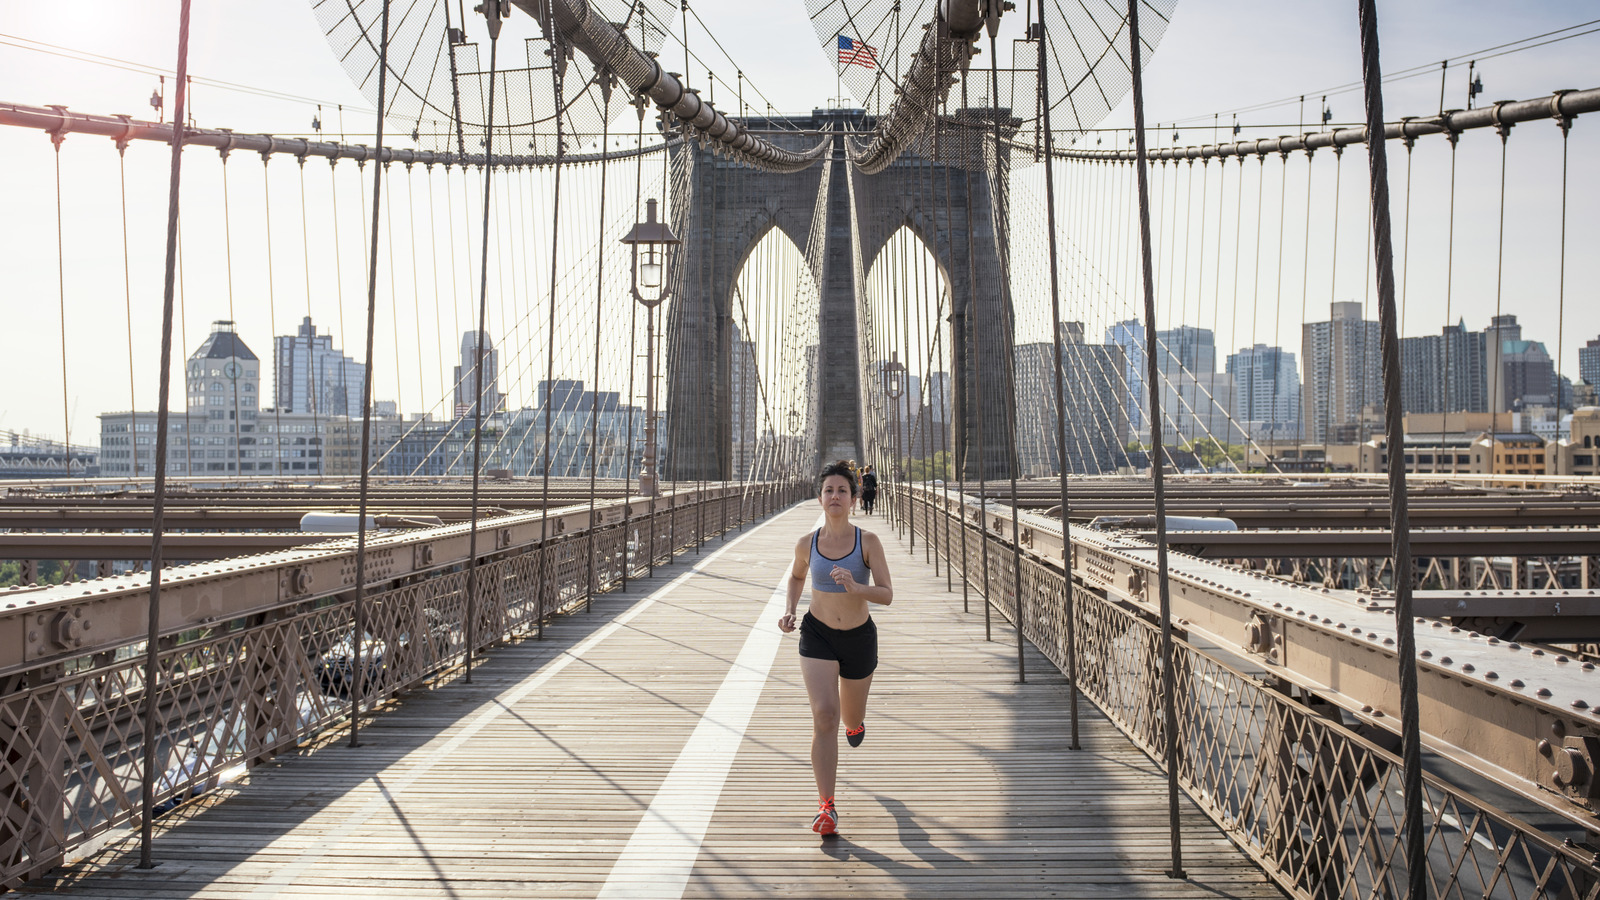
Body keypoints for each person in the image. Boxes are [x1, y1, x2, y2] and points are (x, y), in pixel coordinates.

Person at [778, 461, 894, 836]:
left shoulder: (868, 542)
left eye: (843, 490)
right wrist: (789, 611)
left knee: (848, 717)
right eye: (828, 490)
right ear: (819, 498)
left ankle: (856, 723)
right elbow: (796, 577)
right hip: (817, 635)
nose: (835, 496)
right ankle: (826, 806)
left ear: (854, 499)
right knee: (825, 715)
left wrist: (857, 587)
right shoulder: (806, 544)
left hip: (859, 637)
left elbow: (887, 594)